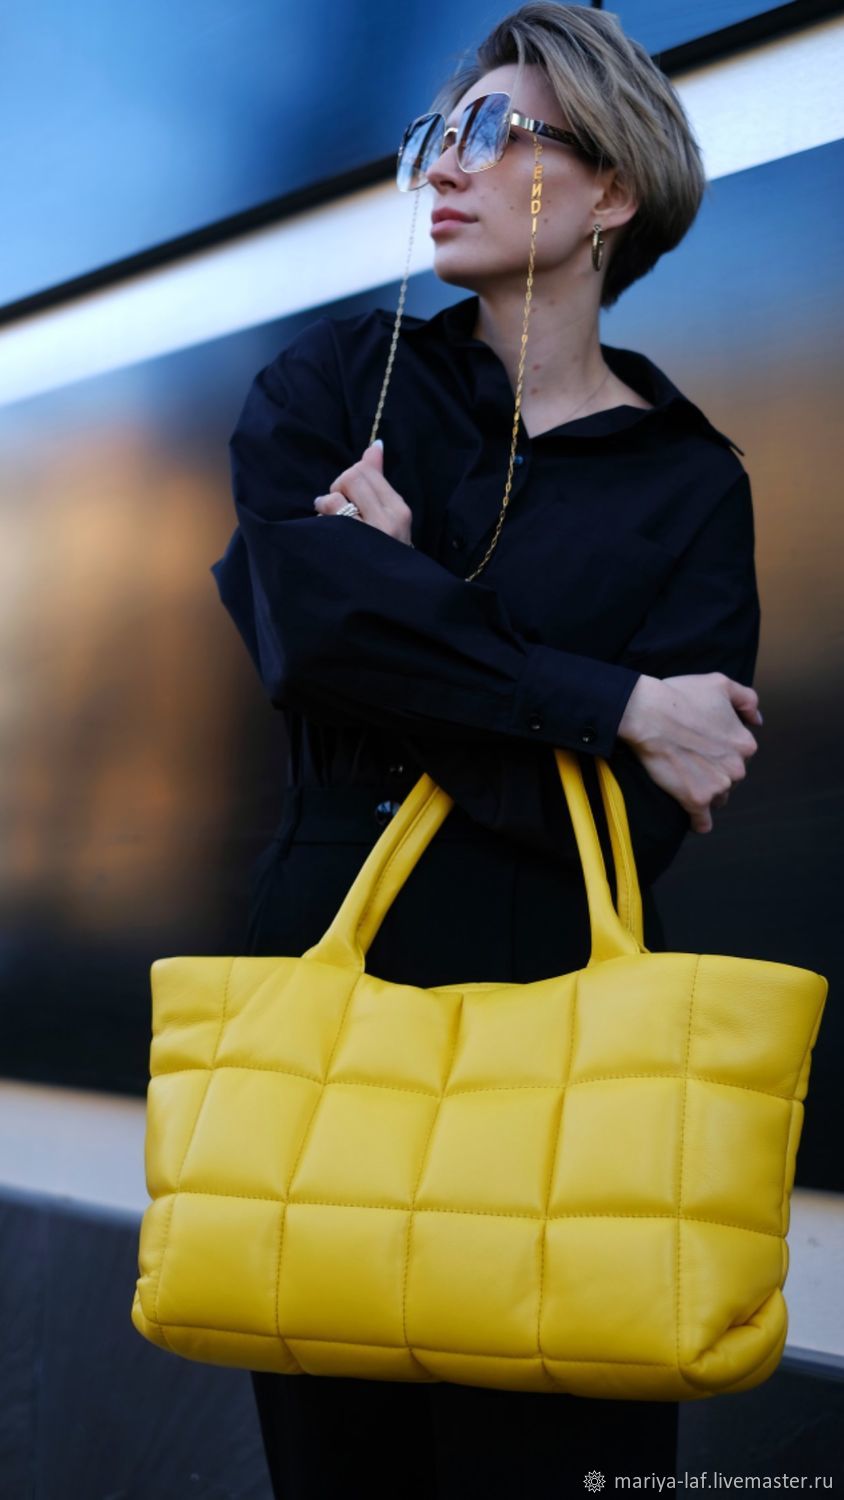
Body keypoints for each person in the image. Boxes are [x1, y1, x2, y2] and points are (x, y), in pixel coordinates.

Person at [210, 5, 763, 1494]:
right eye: (434, 138)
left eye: (489, 133)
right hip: (329, 986)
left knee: (558, 1450)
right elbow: (313, 638)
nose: (440, 170)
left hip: (563, 1016)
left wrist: (417, 606)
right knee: (339, 1456)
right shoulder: (341, 384)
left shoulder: (689, 480)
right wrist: (616, 703)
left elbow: (653, 818)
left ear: (613, 190)